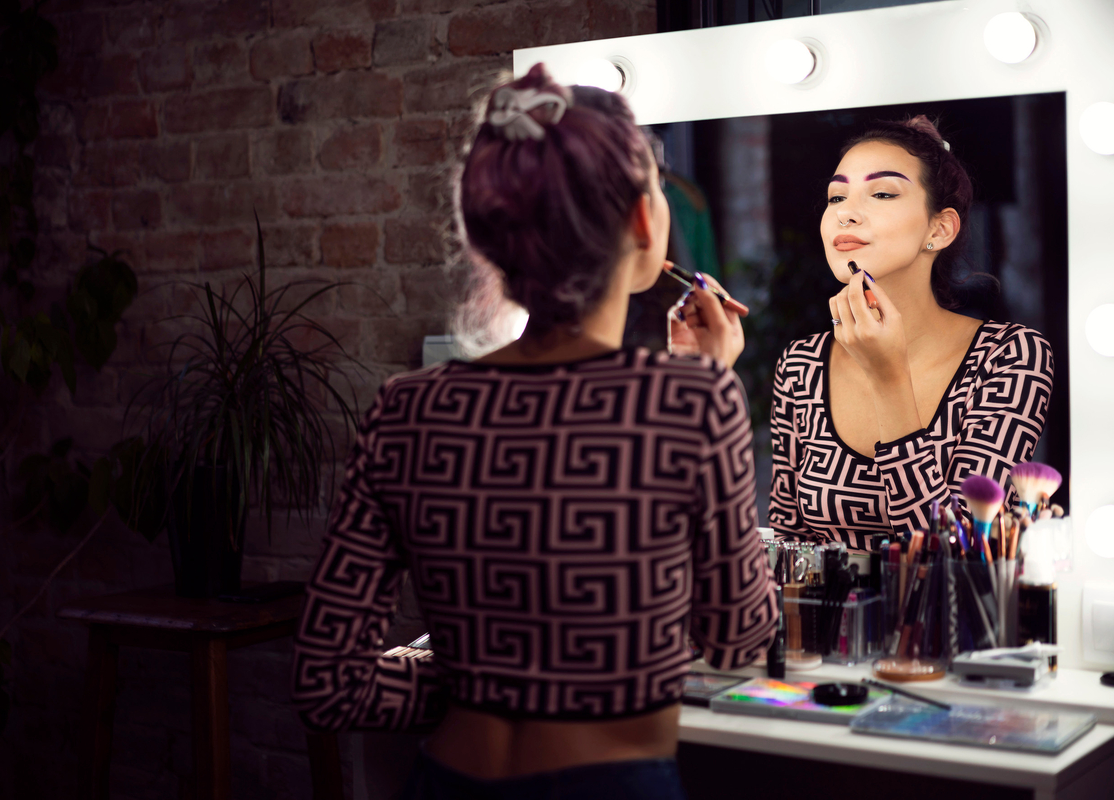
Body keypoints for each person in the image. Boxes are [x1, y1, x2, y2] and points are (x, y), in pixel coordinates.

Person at [292, 63, 778, 800]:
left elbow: (330, 682)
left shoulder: (406, 410)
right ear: (645, 221)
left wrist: (480, 680)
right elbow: (739, 638)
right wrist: (710, 382)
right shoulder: (690, 402)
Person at [767, 116, 1054, 551]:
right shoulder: (801, 364)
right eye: (836, 196)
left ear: (938, 230)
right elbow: (790, 548)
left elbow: (960, 553)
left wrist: (889, 379)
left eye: (881, 193)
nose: (845, 211)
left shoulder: (1009, 356)